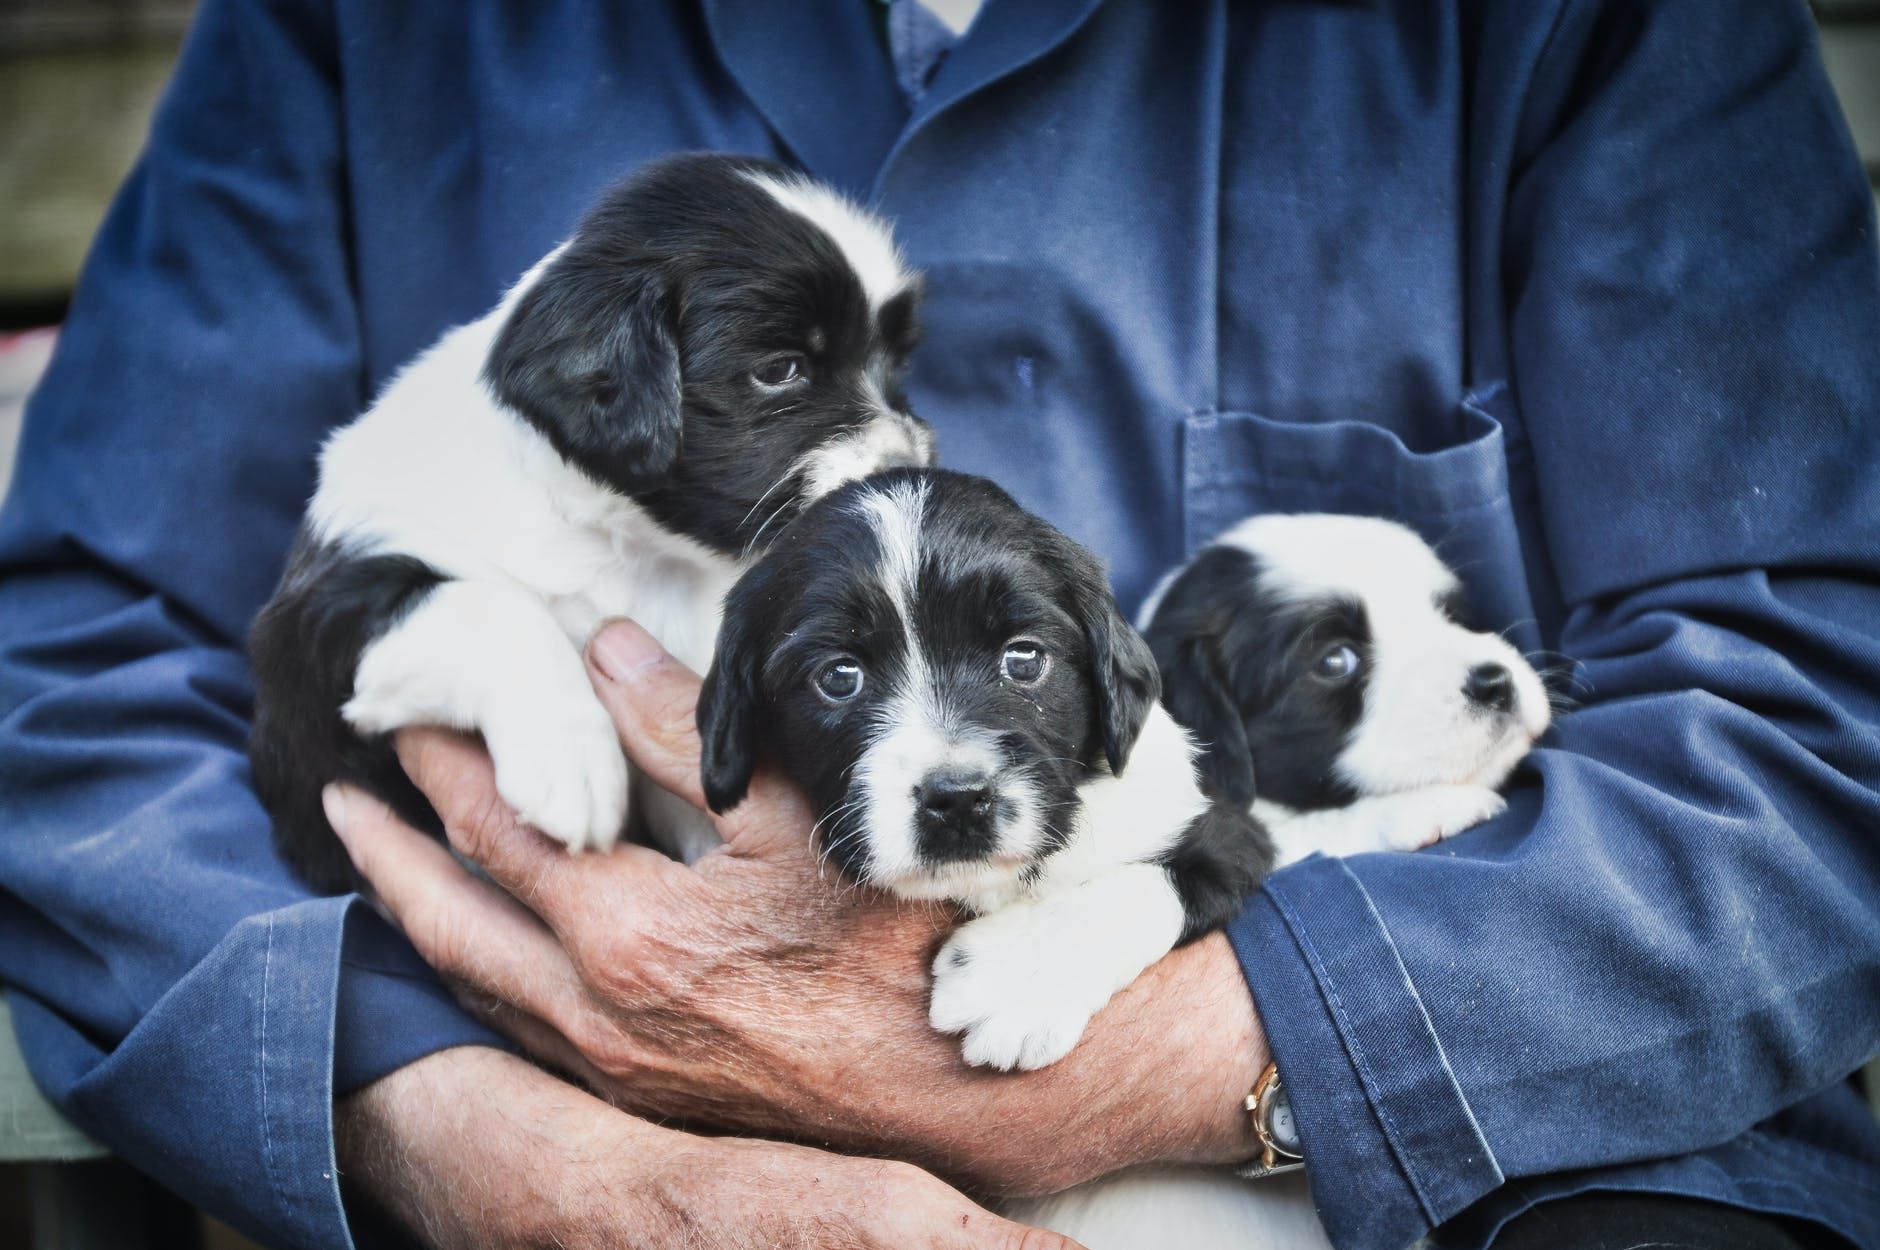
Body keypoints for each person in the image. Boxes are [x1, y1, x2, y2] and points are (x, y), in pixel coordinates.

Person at [1, 1, 1876, 1247]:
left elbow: (1820, 714)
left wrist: (1189, 1056)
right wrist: (503, 1152)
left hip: (1510, 1179)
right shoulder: (361, 35)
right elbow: (78, 669)